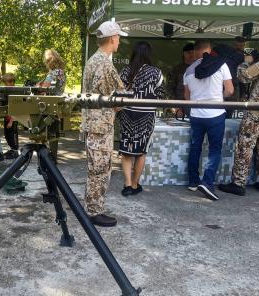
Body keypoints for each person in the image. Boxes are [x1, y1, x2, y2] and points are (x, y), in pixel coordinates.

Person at [82, 20, 126, 227]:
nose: (119, 41)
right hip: (101, 126)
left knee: (95, 169)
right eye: (118, 37)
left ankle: (92, 207)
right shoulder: (105, 65)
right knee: (100, 170)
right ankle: (94, 211)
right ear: (112, 38)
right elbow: (118, 99)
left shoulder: (93, 60)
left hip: (94, 124)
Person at [219, 31, 259, 196]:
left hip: (257, 110)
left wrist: (246, 62)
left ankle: (238, 183)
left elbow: (243, 77)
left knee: (245, 146)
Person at [184, 39, 234, 200]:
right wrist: (219, 97)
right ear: (209, 49)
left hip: (196, 115)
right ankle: (207, 182)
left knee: (195, 147)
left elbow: (187, 97)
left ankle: (193, 182)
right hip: (216, 114)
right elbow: (230, 90)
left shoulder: (188, 71)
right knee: (214, 149)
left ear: (195, 51)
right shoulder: (221, 65)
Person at [118, 41, 165, 196]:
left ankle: (127, 184)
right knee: (141, 152)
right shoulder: (156, 72)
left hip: (127, 114)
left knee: (126, 152)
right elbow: (161, 96)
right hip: (146, 116)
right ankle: (135, 183)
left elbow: (118, 94)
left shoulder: (125, 71)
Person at [167, 43, 195, 117]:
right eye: (189, 53)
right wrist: (175, 106)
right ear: (184, 54)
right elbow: (169, 89)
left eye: (193, 52)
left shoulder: (200, 68)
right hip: (180, 106)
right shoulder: (176, 69)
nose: (191, 55)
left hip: (196, 106)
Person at [2, 73, 19, 159]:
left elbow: (16, 108)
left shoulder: (15, 92)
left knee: (12, 135)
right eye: (5, 82)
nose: (6, 84)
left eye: (8, 82)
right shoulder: (7, 91)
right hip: (6, 117)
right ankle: (12, 149)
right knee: (7, 134)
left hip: (13, 118)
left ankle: (15, 151)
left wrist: (11, 121)